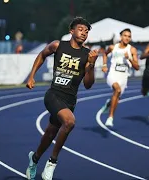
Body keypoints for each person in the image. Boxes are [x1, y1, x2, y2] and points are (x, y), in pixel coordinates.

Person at [25, 17, 98, 180]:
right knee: (70, 122)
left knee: (50, 134)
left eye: (86, 31)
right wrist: (31, 76)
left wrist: (92, 65)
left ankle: (34, 158)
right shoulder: (58, 45)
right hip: (53, 95)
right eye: (81, 29)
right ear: (71, 31)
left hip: (70, 100)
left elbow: (88, 84)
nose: (84, 33)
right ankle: (52, 163)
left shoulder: (87, 55)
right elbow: (42, 55)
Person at [100, 28, 139, 127]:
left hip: (124, 77)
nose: (127, 38)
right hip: (113, 74)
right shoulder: (113, 47)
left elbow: (137, 67)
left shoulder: (132, 50)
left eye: (129, 36)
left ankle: (109, 103)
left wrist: (129, 58)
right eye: (125, 35)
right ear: (121, 37)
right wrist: (104, 65)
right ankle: (110, 118)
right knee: (116, 91)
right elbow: (105, 53)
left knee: (116, 97)